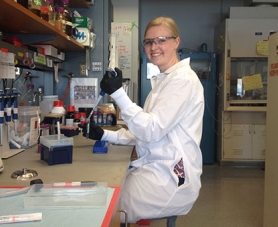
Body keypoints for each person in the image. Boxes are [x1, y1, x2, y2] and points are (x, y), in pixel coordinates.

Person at [84, 16, 204, 224]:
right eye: (149, 42)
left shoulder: (183, 80)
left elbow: (151, 130)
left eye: (161, 40)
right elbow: (144, 131)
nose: (154, 47)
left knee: (103, 208)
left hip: (171, 179)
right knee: (103, 190)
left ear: (176, 42)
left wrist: (118, 93)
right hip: (155, 168)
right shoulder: (164, 81)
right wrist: (105, 134)